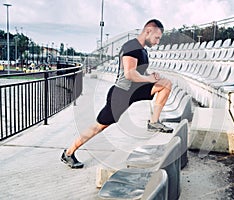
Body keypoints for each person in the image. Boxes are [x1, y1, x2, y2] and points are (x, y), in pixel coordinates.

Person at [61, 19, 173, 169]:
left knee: (166, 84)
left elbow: (139, 72)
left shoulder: (143, 50)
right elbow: (129, 74)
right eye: (156, 38)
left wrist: (150, 76)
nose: (157, 42)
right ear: (148, 31)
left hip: (136, 90)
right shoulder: (131, 47)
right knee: (99, 126)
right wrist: (149, 78)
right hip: (121, 94)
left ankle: (153, 122)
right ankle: (68, 153)